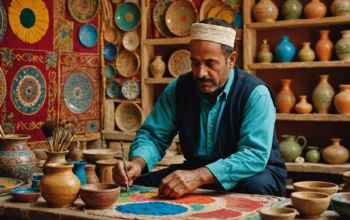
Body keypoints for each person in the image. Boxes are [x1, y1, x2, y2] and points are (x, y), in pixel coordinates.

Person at [113, 18, 287, 199]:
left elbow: (254, 155)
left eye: (210, 64)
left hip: (252, 173)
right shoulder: (179, 88)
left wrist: (198, 176)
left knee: (255, 189)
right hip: (196, 170)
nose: (201, 73)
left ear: (231, 60)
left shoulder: (256, 94)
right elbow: (153, 136)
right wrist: (137, 163)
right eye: (195, 63)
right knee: (142, 183)